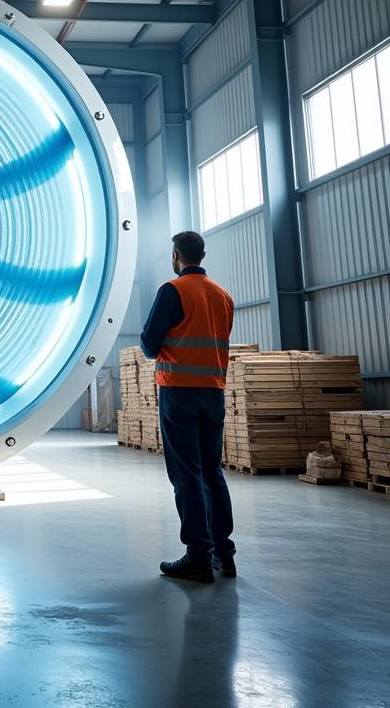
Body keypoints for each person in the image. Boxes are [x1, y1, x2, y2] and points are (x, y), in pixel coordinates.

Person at [141, 231, 236, 584]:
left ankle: (197, 555)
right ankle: (223, 553)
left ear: (176, 255)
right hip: (213, 392)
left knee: (187, 474)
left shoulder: (172, 291)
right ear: (203, 254)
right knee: (212, 473)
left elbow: (150, 345)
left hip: (179, 392)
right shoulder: (222, 295)